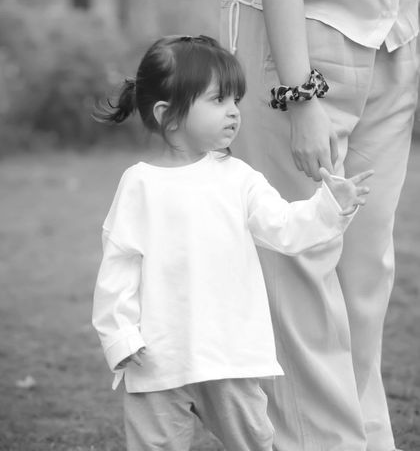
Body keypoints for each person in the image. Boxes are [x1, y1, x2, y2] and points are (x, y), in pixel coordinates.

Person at [91, 35, 372, 451]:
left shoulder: (239, 178)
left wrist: (331, 206)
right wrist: (120, 338)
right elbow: (119, 267)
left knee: (254, 443)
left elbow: (286, 228)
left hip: (229, 354)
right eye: (218, 100)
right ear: (168, 115)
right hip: (158, 359)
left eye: (235, 100)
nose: (234, 112)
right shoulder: (139, 185)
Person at [220, 0, 420, 451]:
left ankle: (368, 437)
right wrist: (299, 96)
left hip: (393, 47)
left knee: (365, 271)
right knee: (298, 259)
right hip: (294, 45)